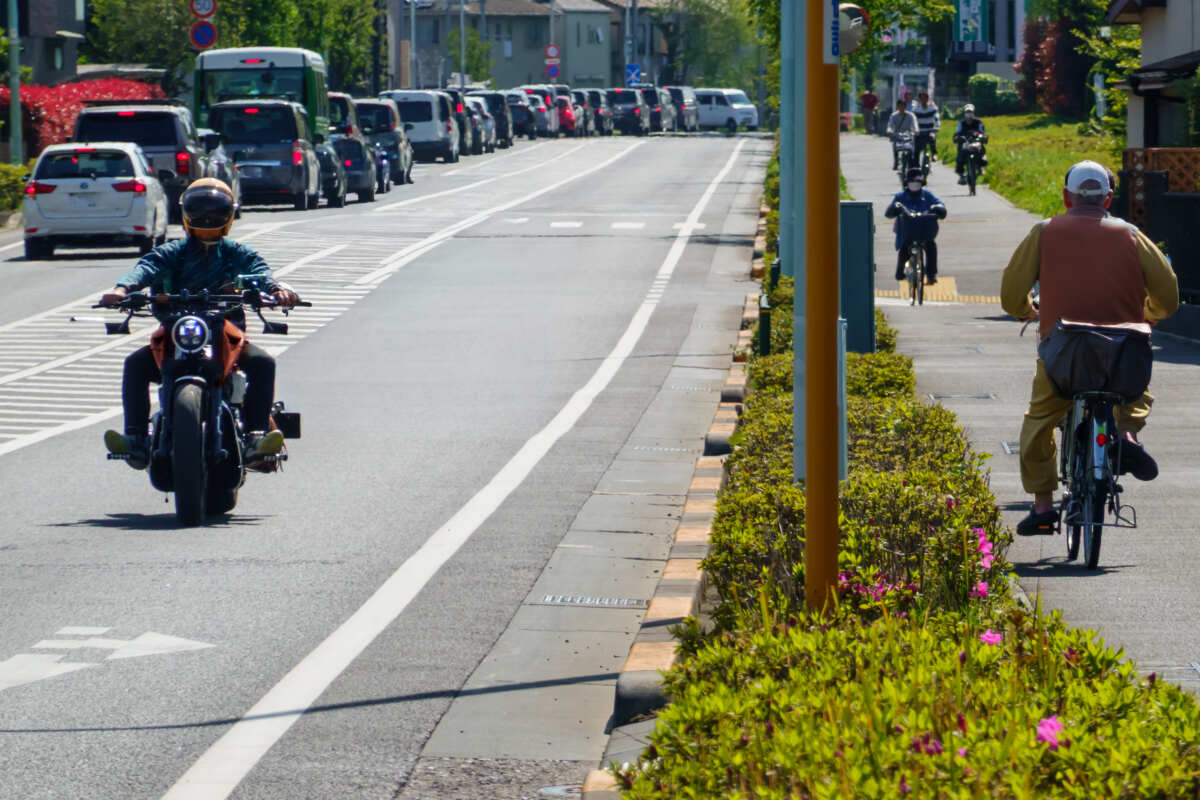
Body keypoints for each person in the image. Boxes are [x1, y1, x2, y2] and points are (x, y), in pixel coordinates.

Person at [1000, 161, 1179, 535]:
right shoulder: (1132, 235)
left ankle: (1043, 506)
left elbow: (1011, 292)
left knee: (1039, 423)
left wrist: (1025, 310)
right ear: (1109, 199)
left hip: (1065, 353)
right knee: (1134, 394)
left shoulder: (1045, 232)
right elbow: (1168, 292)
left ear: (1067, 197)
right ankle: (1127, 436)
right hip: (1124, 350)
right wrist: (1150, 315)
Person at [100, 178, 300, 470]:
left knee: (263, 363)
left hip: (226, 331)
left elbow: (259, 271)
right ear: (186, 214)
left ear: (228, 215)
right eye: (199, 211)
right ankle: (136, 439)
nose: (207, 219)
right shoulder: (173, 251)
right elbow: (146, 267)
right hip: (175, 330)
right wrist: (122, 289)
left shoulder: (236, 252)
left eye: (216, 211)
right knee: (135, 364)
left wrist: (275, 289)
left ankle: (256, 437)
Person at [885, 167, 946, 285]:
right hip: (907, 231)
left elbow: (939, 204)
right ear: (907, 183)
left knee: (931, 246)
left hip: (925, 231)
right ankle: (900, 271)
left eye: (917, 182)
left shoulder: (927, 195)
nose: (914, 185)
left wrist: (937, 208)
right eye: (911, 182)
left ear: (922, 183)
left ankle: (931, 274)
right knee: (904, 247)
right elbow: (889, 211)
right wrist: (895, 209)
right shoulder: (900, 196)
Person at [953, 104, 988, 185]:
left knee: (981, 150)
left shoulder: (978, 122)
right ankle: (961, 175)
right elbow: (957, 132)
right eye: (967, 112)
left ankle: (980, 167)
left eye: (970, 112)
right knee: (960, 156)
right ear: (965, 113)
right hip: (965, 142)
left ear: (973, 113)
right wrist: (956, 137)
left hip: (976, 142)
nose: (969, 114)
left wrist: (984, 137)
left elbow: (982, 132)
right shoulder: (961, 123)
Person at [886, 98, 918, 171]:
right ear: (897, 106)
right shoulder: (893, 115)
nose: (902, 108)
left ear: (905, 106)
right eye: (900, 106)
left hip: (908, 134)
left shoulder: (910, 115)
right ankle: (896, 161)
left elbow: (915, 124)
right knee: (895, 146)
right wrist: (889, 130)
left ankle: (911, 162)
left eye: (903, 106)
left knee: (911, 147)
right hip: (898, 134)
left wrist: (916, 130)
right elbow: (890, 125)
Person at [912, 91, 940, 166]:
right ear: (919, 99)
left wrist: (937, 127)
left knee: (932, 139)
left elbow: (936, 118)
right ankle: (916, 165)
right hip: (919, 131)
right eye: (922, 98)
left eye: (925, 98)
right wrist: (914, 129)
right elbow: (913, 120)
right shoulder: (916, 109)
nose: (923, 100)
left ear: (927, 99)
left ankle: (934, 154)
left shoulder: (932, 108)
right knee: (916, 148)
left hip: (930, 130)